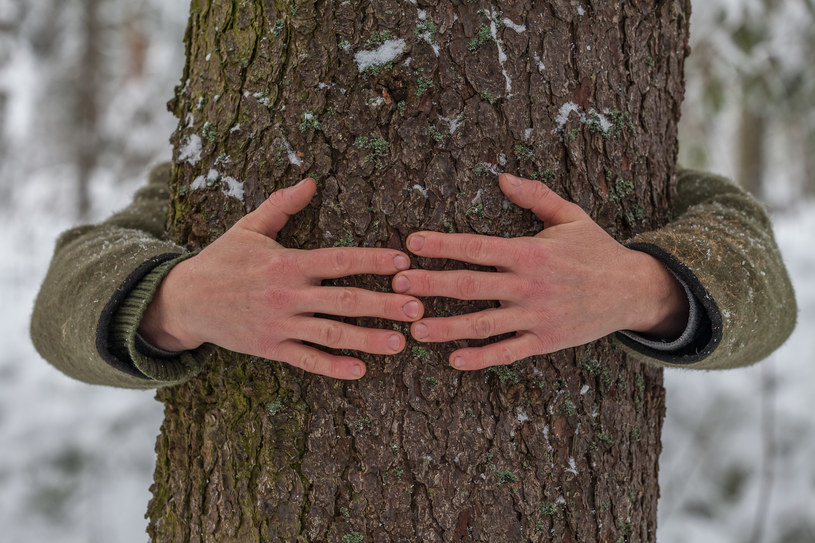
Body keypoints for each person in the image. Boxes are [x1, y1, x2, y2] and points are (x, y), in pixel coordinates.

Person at [30, 163, 796, 388]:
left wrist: (644, 288)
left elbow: (761, 279)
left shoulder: (623, 164)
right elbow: (62, 297)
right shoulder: (221, 167)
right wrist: (175, 299)